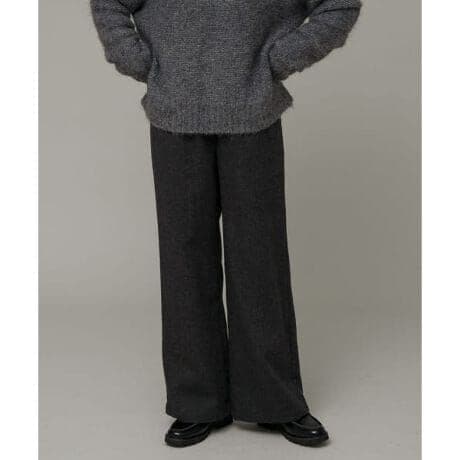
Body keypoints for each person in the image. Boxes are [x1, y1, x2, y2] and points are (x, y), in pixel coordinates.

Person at [91, 0, 362, 448]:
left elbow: (340, 5)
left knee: (259, 260)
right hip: (175, 113)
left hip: (254, 113)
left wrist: (275, 61)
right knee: (184, 259)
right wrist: (142, 61)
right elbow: (109, 4)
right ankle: (196, 401)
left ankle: (275, 400)